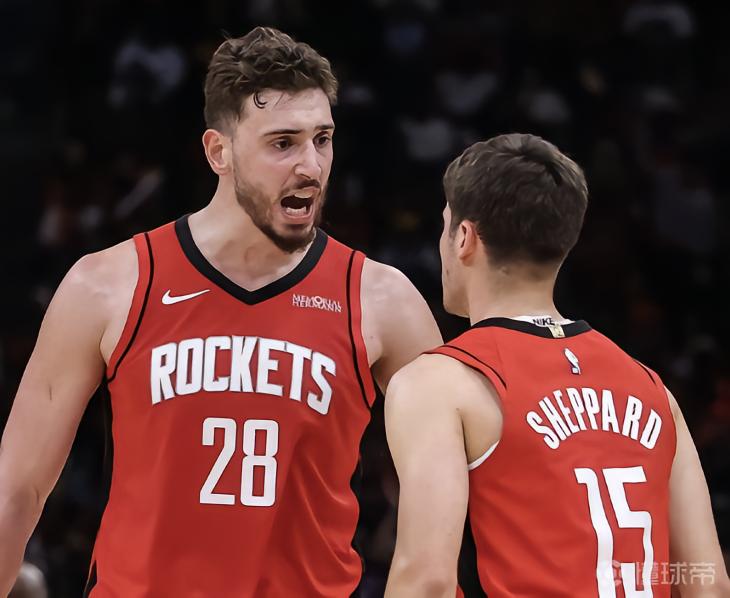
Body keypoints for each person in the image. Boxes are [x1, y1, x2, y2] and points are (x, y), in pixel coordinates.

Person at [0, 27, 442, 597]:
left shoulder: (383, 300)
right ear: (219, 152)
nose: (311, 165)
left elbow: (458, 493)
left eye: (323, 139)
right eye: (283, 143)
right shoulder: (107, 286)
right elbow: (18, 489)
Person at [384, 133, 730, 597]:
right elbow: (708, 582)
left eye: (445, 226)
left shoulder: (440, 383)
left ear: (464, 238)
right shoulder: (653, 390)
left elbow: (427, 581)